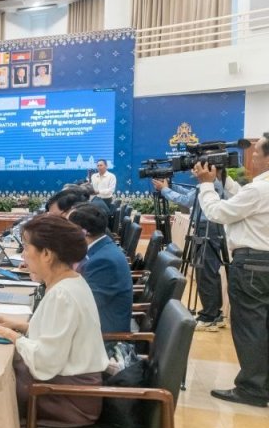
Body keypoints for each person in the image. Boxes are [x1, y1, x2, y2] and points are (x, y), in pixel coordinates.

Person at [0, 215, 110, 426]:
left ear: (47, 254)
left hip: (67, 398)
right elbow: (59, 334)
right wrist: (18, 325)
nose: (23, 255)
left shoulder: (62, 294)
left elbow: (45, 363)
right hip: (68, 387)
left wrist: (10, 335)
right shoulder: (71, 281)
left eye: (26, 248)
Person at [194, 134, 269, 408]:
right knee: (263, 326)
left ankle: (252, 389)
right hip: (263, 263)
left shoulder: (259, 190)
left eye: (257, 152)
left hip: (251, 265)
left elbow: (218, 213)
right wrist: (221, 180)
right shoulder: (258, 190)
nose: (253, 156)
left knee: (250, 326)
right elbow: (243, 201)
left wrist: (206, 185)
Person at [152, 175, 239, 330]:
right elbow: (190, 194)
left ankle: (210, 316)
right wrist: (170, 186)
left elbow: (187, 200)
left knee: (205, 273)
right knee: (206, 272)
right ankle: (214, 314)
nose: (194, 169)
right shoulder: (207, 184)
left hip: (207, 229)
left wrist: (164, 190)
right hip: (205, 228)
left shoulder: (212, 184)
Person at [69, 203, 133, 335]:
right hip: (93, 324)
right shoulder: (101, 247)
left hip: (104, 336)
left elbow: (84, 305)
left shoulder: (104, 262)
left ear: (84, 232)